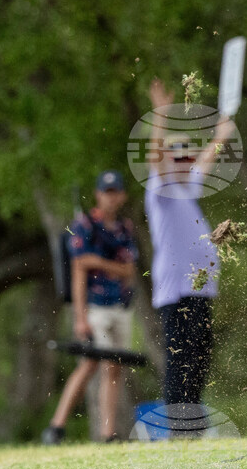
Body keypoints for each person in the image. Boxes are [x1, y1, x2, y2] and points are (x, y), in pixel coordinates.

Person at [145, 79, 232, 412]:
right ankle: (178, 422)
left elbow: (206, 160)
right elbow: (155, 157)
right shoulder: (160, 189)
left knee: (199, 357)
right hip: (178, 289)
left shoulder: (187, 187)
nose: (186, 162)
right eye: (178, 157)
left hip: (198, 290)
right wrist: (161, 116)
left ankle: (191, 418)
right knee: (180, 359)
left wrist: (222, 135)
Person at [42, 170, 138, 444]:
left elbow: (128, 269)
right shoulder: (84, 225)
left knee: (115, 367)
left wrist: (98, 261)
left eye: (115, 192)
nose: (110, 198)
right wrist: (79, 316)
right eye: (106, 192)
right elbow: (79, 269)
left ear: (121, 195)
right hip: (95, 307)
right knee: (89, 364)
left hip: (120, 305)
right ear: (98, 194)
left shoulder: (124, 228)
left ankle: (108, 433)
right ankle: (57, 426)